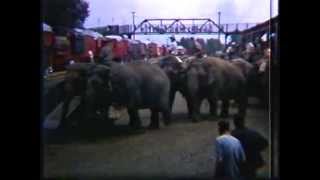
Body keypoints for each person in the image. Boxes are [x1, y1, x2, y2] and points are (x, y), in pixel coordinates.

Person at [231, 115, 269, 180]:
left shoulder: (232, 135)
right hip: (252, 161)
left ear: (234, 123)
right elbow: (265, 143)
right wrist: (255, 150)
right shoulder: (252, 133)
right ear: (243, 122)